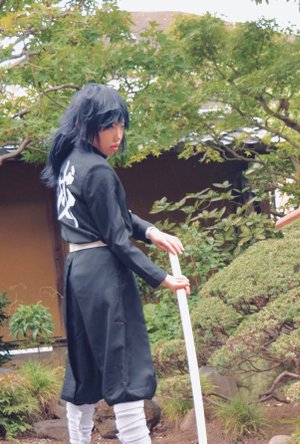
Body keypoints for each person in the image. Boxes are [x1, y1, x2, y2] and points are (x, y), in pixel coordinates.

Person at [42, 83, 191, 444]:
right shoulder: (97, 170)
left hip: (78, 273)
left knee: (83, 366)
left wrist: (151, 231)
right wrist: (163, 278)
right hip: (105, 275)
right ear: (87, 124)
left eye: (121, 125)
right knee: (123, 367)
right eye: (110, 126)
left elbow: (114, 215)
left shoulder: (70, 164)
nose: (118, 135)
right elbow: (117, 238)